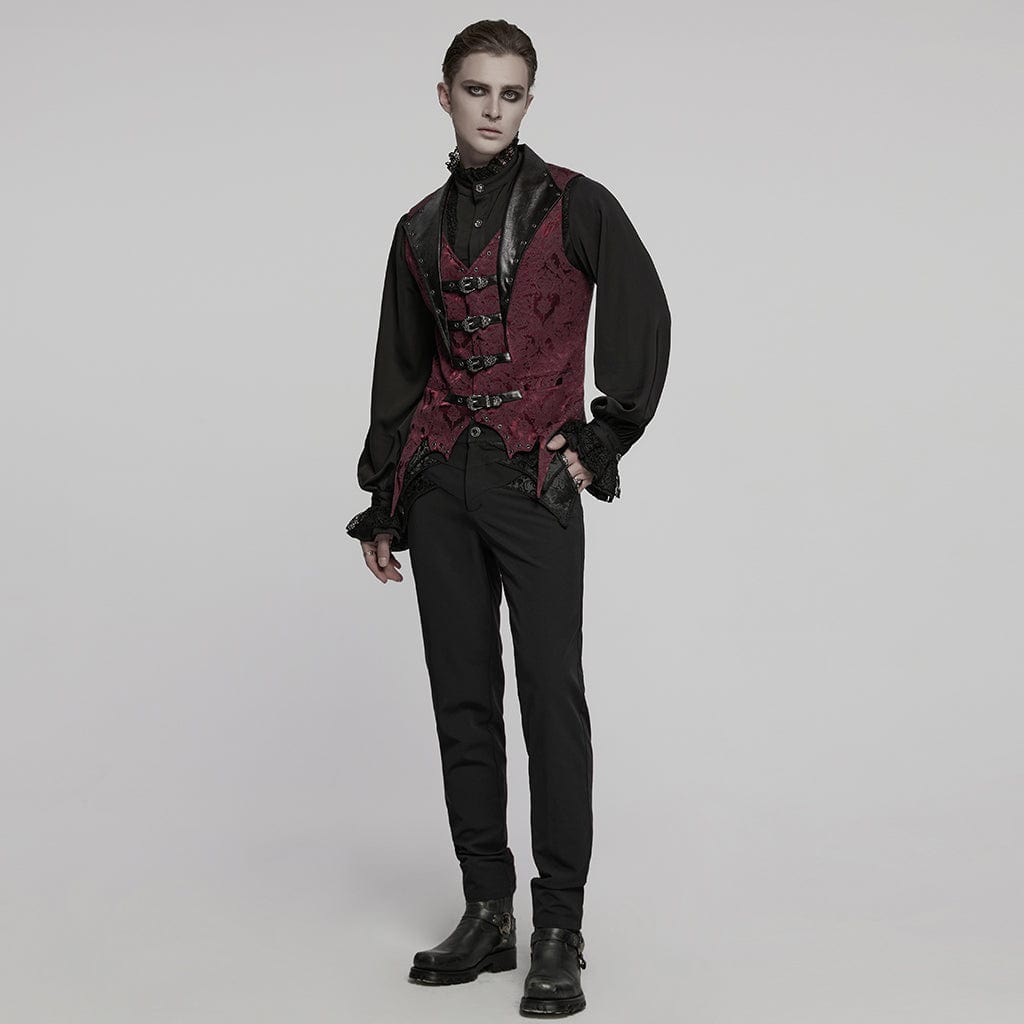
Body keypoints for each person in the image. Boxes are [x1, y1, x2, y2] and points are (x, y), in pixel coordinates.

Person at [346, 19, 670, 1018]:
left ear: (529, 100)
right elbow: (401, 367)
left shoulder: (578, 203)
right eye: (477, 89)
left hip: (535, 482)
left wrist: (604, 434)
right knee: (462, 697)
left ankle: (559, 927)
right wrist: (385, 498)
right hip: (440, 482)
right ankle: (488, 911)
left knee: (550, 698)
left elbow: (645, 314)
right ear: (443, 93)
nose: (493, 108)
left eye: (512, 92)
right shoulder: (414, 230)